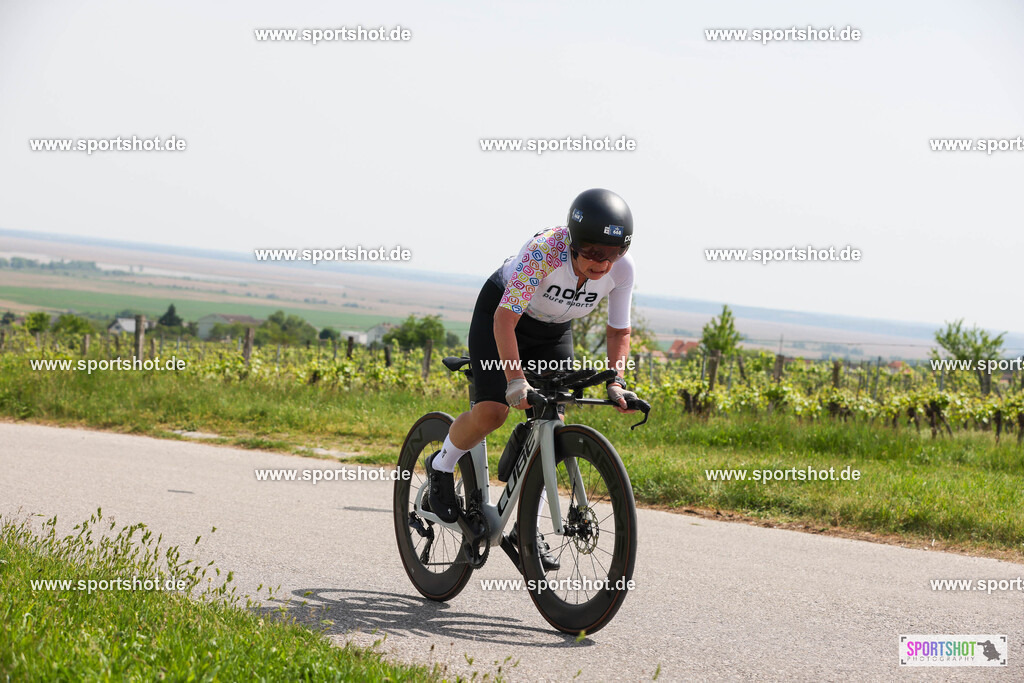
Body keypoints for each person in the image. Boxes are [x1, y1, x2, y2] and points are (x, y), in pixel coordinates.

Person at [426, 188, 639, 569]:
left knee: (552, 422)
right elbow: (505, 320)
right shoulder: (545, 252)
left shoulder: (623, 270)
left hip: (554, 332)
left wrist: (616, 382)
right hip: (505, 316)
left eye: (611, 253)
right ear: (572, 243)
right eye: (591, 251)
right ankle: (442, 465)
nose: (601, 262)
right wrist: (514, 380)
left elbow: (618, 332)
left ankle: (527, 531)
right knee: (493, 412)